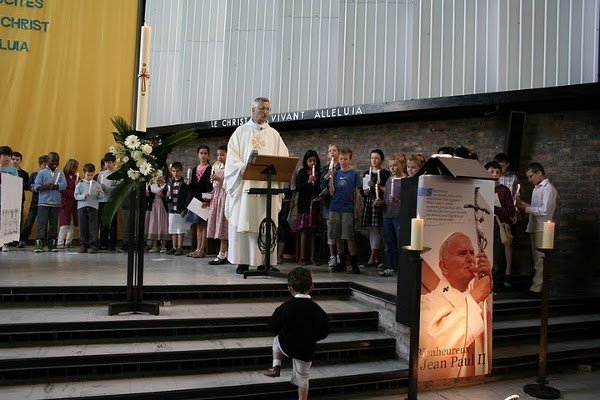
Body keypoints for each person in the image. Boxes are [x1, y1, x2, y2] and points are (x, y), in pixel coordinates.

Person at [224, 97, 289, 274]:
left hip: (268, 188)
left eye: (268, 109)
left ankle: (265, 262)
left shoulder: (274, 134)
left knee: (266, 222)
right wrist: (243, 167)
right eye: (261, 109)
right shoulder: (240, 132)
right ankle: (242, 261)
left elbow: (283, 159)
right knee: (245, 221)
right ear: (253, 110)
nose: (265, 112)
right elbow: (232, 159)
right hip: (247, 185)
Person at [419, 232, 492, 381]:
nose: (470, 258)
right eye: (462, 253)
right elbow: (435, 345)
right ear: (443, 266)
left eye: (472, 252)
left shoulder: (479, 299)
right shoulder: (427, 302)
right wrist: (476, 296)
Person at [263, 266, 330, 400]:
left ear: (290, 288)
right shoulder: (318, 310)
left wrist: (283, 332)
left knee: (276, 341)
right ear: (312, 287)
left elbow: (272, 326)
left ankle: (276, 366)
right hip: (306, 349)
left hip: (287, 345)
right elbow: (324, 330)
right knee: (303, 377)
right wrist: (312, 337)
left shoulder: (285, 307)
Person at [516, 162, 558, 294]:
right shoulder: (536, 188)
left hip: (543, 228)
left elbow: (545, 210)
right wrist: (522, 204)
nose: (529, 180)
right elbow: (536, 207)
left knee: (541, 260)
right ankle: (537, 286)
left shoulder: (548, 188)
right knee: (536, 260)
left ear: (539, 173)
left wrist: (526, 208)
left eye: (530, 176)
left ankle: (538, 288)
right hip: (535, 226)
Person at [327, 149, 361, 274]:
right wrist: (330, 178)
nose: (343, 161)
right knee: (337, 236)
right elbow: (331, 192)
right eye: (341, 159)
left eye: (346, 159)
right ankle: (341, 261)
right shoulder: (335, 174)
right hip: (335, 207)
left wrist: (356, 209)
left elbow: (357, 194)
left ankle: (353, 262)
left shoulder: (354, 175)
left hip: (348, 208)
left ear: (350, 160)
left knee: (348, 236)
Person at [485, 161, 516, 292]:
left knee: (497, 258)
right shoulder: (480, 187)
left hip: (498, 227)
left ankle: (497, 285)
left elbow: (511, 211)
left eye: (497, 172)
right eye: (492, 171)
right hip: (482, 226)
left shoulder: (504, 190)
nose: (495, 174)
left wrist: (496, 209)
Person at [376, 155, 407, 276]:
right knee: (389, 243)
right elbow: (386, 200)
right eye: (390, 166)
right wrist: (380, 203)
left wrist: (398, 201)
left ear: (402, 165)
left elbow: (409, 201)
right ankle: (390, 266)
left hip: (399, 216)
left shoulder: (406, 180)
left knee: (400, 243)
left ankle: (402, 267)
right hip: (388, 215)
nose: (392, 168)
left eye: (395, 165)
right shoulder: (389, 180)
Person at [360, 149, 390, 267]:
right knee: (372, 230)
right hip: (369, 202)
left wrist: (376, 186)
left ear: (381, 160)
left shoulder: (385, 173)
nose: (374, 160)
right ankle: (376, 257)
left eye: (376, 158)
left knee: (377, 229)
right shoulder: (367, 172)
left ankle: (373, 256)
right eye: (372, 158)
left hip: (379, 202)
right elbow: (363, 190)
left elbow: (386, 190)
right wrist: (365, 192)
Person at [32, 152, 67, 252]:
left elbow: (64, 185)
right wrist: (44, 187)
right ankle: (39, 243)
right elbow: (36, 186)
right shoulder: (42, 173)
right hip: (43, 203)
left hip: (56, 203)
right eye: (53, 161)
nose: (55, 163)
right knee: (42, 224)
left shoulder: (60, 173)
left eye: (57, 161)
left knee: (53, 224)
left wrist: (56, 186)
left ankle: (52, 242)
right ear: (47, 161)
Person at [294, 150, 321, 266]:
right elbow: (299, 188)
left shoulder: (319, 174)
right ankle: (302, 257)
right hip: (304, 205)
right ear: (306, 161)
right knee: (304, 230)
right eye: (310, 161)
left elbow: (319, 189)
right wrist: (309, 182)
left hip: (314, 205)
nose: (312, 163)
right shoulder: (302, 172)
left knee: (313, 231)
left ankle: (313, 257)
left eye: (314, 160)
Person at [185, 145, 213, 258]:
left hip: (204, 200)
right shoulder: (194, 169)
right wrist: (188, 185)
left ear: (208, 155)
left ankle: (202, 249)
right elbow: (192, 185)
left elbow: (209, 185)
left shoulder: (210, 169)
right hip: (195, 200)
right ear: (198, 155)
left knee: (203, 225)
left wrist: (207, 200)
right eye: (201, 153)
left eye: (205, 153)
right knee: (197, 225)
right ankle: (197, 248)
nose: (203, 155)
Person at [18, 155, 48, 248]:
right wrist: (34, 188)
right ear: (40, 165)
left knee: (42, 223)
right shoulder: (34, 174)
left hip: (45, 202)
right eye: (44, 165)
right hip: (35, 201)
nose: (46, 167)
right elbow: (29, 186)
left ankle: (41, 240)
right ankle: (23, 239)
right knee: (29, 221)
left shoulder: (49, 175)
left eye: (47, 165)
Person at [319, 143, 342, 269]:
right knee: (330, 231)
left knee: (339, 230)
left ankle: (340, 255)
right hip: (329, 203)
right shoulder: (325, 169)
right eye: (330, 151)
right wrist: (326, 178)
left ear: (338, 152)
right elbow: (321, 185)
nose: (332, 153)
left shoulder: (341, 167)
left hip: (340, 202)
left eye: (334, 150)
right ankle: (332, 256)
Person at [74, 163, 104, 253]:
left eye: (92, 175)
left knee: (93, 227)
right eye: (88, 175)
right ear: (84, 173)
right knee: (83, 227)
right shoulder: (80, 184)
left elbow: (102, 196)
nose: (90, 177)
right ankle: (83, 245)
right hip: (82, 207)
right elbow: (76, 196)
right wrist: (83, 196)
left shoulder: (97, 184)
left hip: (93, 207)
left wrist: (99, 193)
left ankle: (93, 245)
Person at [206, 146, 229, 264]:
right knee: (219, 224)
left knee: (223, 225)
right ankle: (224, 253)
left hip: (225, 198)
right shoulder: (219, 167)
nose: (219, 157)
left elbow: (231, 183)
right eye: (218, 155)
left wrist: (219, 179)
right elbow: (217, 186)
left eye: (222, 154)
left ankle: (222, 253)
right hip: (218, 197)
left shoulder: (230, 167)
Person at [165, 162, 188, 256]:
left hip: (180, 209)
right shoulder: (170, 183)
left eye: (177, 171)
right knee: (173, 229)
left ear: (181, 171)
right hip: (172, 209)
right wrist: (167, 196)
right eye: (173, 171)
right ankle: (174, 247)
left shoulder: (184, 183)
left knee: (180, 229)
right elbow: (167, 199)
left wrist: (185, 209)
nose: (175, 173)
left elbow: (187, 197)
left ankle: (180, 247)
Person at [97, 153, 119, 251]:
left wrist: (107, 188)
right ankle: (103, 243)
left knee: (112, 223)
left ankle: (112, 244)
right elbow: (97, 185)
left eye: (109, 162)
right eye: (106, 162)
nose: (107, 164)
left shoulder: (117, 174)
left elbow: (118, 188)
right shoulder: (101, 174)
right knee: (103, 223)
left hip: (112, 201)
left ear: (114, 162)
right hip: (102, 200)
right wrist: (99, 189)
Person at [57, 159, 79, 249]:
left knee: (72, 223)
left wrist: (78, 185)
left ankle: (69, 241)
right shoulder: (62, 176)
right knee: (64, 223)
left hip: (74, 203)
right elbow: (62, 189)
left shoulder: (75, 177)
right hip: (65, 202)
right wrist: (74, 193)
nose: (76, 169)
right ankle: (60, 241)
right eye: (75, 167)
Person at [147, 170, 170, 253]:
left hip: (163, 207)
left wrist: (162, 188)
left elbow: (166, 196)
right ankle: (154, 245)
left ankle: (163, 246)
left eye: (159, 176)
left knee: (163, 224)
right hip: (154, 206)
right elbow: (149, 195)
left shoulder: (166, 185)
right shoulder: (151, 185)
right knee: (154, 224)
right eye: (156, 176)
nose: (157, 177)